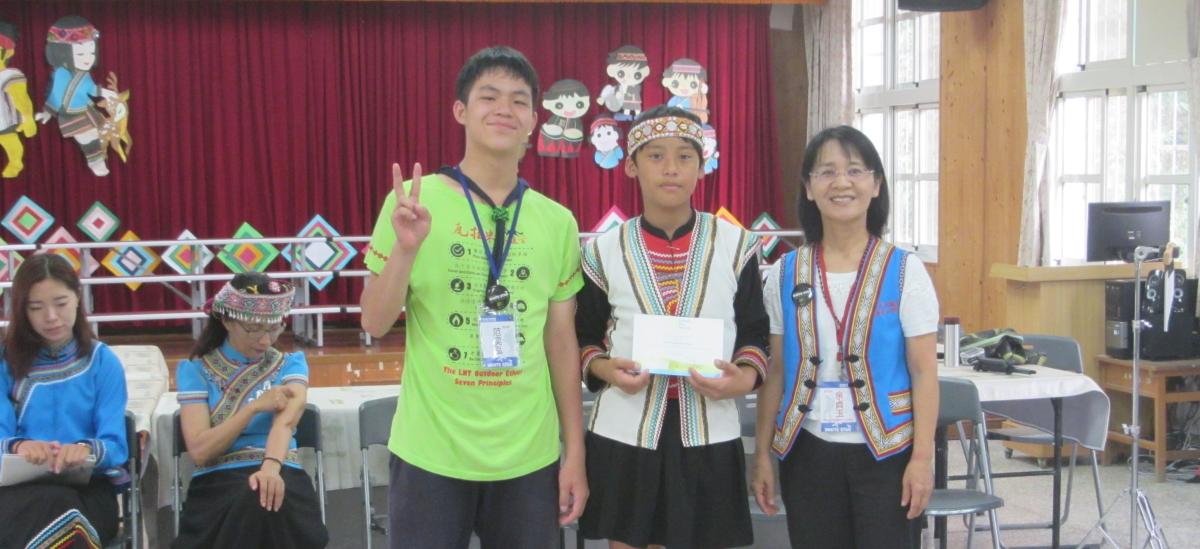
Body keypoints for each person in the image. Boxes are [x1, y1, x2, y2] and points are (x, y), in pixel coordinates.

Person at [359, 45, 587, 549]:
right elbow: (374, 323)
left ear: (533, 120)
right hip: (430, 453)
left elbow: (562, 344)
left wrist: (574, 452)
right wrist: (405, 248)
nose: (504, 108)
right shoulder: (416, 204)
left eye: (518, 100)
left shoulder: (557, 222)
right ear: (460, 111)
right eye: (488, 96)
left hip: (528, 456)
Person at [575, 105, 768, 549]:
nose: (671, 169)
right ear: (630, 164)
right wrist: (605, 370)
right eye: (655, 155)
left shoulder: (736, 245)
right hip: (626, 429)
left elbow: (755, 331)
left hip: (707, 428)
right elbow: (583, 336)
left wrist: (743, 378)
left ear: (702, 167)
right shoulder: (602, 251)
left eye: (685, 156)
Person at [752, 125, 939, 548]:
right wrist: (762, 453)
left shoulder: (906, 270)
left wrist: (923, 458)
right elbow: (776, 370)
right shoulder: (784, 273)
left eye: (855, 171)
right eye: (827, 172)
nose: (841, 183)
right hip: (808, 447)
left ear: (875, 185)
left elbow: (925, 372)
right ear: (809, 188)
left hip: (888, 449)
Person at [172, 273, 328, 549]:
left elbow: (286, 422)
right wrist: (253, 408)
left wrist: (270, 467)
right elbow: (200, 450)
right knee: (254, 500)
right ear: (227, 319)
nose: (266, 340)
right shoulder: (196, 371)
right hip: (219, 480)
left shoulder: (290, 364)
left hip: (280, 468)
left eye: (274, 328)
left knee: (266, 498)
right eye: (254, 329)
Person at [0, 253, 129, 548]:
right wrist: (19, 446)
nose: (51, 317)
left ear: (77, 299)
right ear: (22, 311)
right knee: (50, 506)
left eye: (60, 303)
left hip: (89, 492)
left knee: (62, 509)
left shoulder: (102, 362)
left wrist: (84, 450)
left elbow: (116, 445)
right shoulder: (5, 364)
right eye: (36, 307)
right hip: (18, 492)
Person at [35, 15, 117, 177]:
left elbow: (89, 88)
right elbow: (58, 95)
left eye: (91, 52)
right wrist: (48, 112)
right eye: (80, 54)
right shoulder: (61, 74)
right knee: (87, 138)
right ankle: (95, 161)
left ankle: (97, 157)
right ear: (62, 54)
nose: (87, 59)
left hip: (86, 110)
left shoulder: (83, 74)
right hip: (72, 116)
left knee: (97, 133)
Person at [0, 20, 37, 179]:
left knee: (9, 140)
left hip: (3, 118)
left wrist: (28, 117)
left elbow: (21, 97)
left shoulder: (9, 75)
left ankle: (15, 162)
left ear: (7, 52)